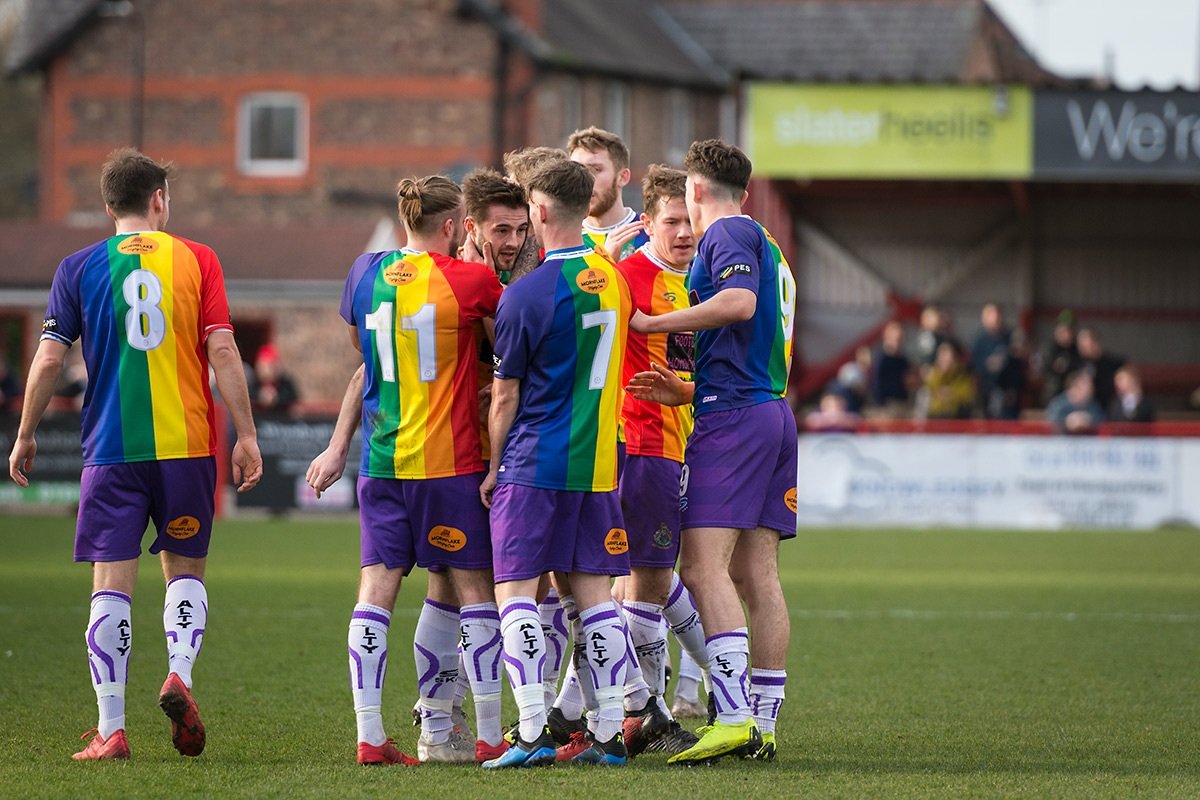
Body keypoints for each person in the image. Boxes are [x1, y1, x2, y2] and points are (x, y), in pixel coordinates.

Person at [7, 148, 262, 761]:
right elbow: (224, 351)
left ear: (106, 206)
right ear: (159, 201)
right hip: (187, 447)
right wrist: (247, 435)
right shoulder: (199, 260)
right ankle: (180, 674)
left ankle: (111, 730)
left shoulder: (78, 267)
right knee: (185, 572)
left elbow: (46, 359)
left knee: (109, 584)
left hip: (111, 451)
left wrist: (25, 433)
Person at [627, 138, 795, 764]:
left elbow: (738, 305)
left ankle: (733, 716)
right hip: (769, 411)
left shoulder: (724, 235)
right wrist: (687, 388)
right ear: (744, 189)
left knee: (699, 569)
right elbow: (759, 339)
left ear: (694, 190)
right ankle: (763, 726)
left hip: (733, 423)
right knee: (758, 576)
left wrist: (651, 324)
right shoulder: (768, 245)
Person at [328, 176, 505, 766]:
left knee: (375, 592)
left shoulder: (364, 272)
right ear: (454, 226)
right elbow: (506, 349)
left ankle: (370, 737)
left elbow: (361, 350)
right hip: (450, 462)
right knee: (475, 590)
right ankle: (486, 736)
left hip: (381, 461)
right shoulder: (474, 281)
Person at [480, 158, 634, 767]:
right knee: (596, 597)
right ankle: (605, 735)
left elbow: (505, 395)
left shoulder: (527, 292)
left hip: (535, 463)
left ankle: (533, 732)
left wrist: (494, 468)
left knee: (515, 592)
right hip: (596, 466)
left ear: (538, 211)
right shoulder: (613, 280)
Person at [607, 165, 707, 756]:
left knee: (667, 577)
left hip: (691, 448)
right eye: (671, 221)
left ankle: (617, 710)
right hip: (639, 447)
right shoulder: (627, 279)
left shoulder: (707, 282)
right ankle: (643, 713)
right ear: (647, 223)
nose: (684, 233)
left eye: (689, 220)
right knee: (644, 581)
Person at [568, 127, 649, 262]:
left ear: (622, 177)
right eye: (576, 170)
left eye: (595, 169)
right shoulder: (566, 241)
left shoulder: (649, 235)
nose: (583, 180)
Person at [919, 341, 976, 420]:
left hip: (957, 418)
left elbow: (967, 395)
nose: (944, 359)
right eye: (941, 355)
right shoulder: (933, 374)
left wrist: (951, 395)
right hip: (936, 418)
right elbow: (931, 394)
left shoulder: (963, 374)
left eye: (946, 355)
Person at [1076, 327, 1123, 414]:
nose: (1082, 348)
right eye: (1081, 345)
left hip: (1107, 409)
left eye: (1086, 345)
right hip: (1083, 410)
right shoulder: (1076, 364)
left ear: (1096, 344)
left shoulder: (1113, 364)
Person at [870, 320, 912, 413]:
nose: (897, 342)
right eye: (895, 338)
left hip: (901, 403)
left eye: (900, 338)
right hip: (886, 405)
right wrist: (880, 405)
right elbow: (876, 383)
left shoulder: (903, 360)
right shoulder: (881, 358)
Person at [250, 343, 299, 415]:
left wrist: (276, 398)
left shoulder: (285, 382)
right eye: (263, 366)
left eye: (269, 366)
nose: (265, 370)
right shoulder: (254, 382)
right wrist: (260, 397)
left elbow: (292, 399)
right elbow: (249, 396)